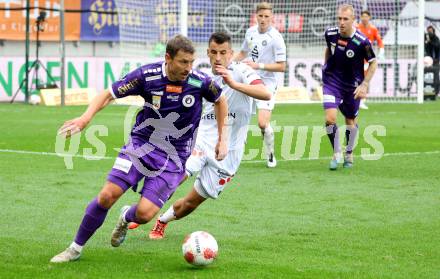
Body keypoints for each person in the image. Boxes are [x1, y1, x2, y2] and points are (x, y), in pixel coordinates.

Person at [50, 35, 228, 263]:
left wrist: (222, 139)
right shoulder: (147, 76)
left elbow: (221, 100)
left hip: (174, 157)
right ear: (168, 58)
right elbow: (108, 94)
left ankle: (125, 217)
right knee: (106, 196)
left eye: (192, 62)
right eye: (183, 62)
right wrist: (86, 118)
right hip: (141, 144)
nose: (188, 68)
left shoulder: (199, 81)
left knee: (144, 215)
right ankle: (74, 249)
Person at [128, 31, 271, 239]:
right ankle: (142, 211)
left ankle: (161, 221)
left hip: (230, 152)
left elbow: (265, 93)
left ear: (231, 53)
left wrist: (233, 84)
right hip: (200, 141)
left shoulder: (242, 71)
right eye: (214, 52)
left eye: (223, 52)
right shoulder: (198, 78)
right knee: (174, 179)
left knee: (190, 203)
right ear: (208, 53)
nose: (218, 57)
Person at [323, 4, 377, 170]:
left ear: (353, 20)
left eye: (345, 19)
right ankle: (336, 152)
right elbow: (329, 50)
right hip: (332, 82)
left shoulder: (362, 42)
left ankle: (349, 153)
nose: (341, 22)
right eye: (339, 18)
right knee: (330, 118)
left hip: (352, 86)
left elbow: (373, 63)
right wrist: (325, 67)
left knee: (350, 121)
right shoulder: (330, 34)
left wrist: (364, 84)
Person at [233, 2, 286, 168]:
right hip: (249, 79)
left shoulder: (276, 38)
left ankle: (270, 154)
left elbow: (282, 66)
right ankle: (234, 151)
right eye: (260, 16)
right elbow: (242, 52)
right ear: (256, 16)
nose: (263, 19)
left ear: (272, 18)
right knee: (239, 117)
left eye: (266, 16)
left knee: (262, 123)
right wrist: (229, 64)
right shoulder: (250, 32)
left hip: (268, 83)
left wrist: (259, 66)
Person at [356, 10, 384, 110]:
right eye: (362, 16)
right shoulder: (356, 28)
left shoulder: (373, 29)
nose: (364, 18)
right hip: (356, 57)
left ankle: (362, 100)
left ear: (369, 17)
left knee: (364, 78)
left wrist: (381, 51)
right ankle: (351, 99)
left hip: (367, 58)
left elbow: (380, 41)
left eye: (366, 16)